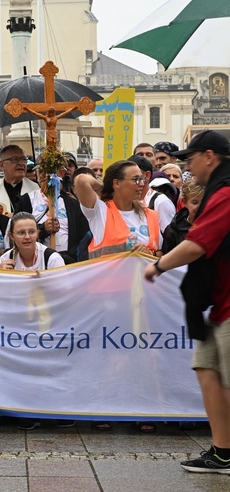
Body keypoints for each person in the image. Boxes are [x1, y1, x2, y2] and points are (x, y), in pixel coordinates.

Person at [143, 130, 230, 473]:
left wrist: (159, 266)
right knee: (207, 368)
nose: (188, 167)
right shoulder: (215, 192)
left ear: (210, 156)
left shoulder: (225, 193)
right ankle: (223, 452)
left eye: (190, 159)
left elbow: (199, 243)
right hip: (219, 304)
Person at [75, 160, 161, 260]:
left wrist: (150, 253)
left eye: (142, 179)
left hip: (143, 275)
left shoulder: (150, 215)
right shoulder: (101, 212)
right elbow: (81, 180)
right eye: (136, 179)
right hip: (109, 275)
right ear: (116, 183)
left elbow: (162, 252)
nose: (141, 184)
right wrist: (104, 189)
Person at [16, 164, 90, 263]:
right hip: (37, 261)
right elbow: (17, 232)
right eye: (41, 172)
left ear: (61, 174)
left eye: (50, 172)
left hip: (67, 262)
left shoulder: (73, 204)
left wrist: (66, 256)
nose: (45, 176)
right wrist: (43, 230)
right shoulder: (26, 201)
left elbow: (83, 237)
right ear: (37, 175)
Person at [0, 212, 66, 271]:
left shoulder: (53, 259)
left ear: (37, 233)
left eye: (31, 232)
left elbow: (62, 285)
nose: (27, 237)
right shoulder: (5, 259)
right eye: (21, 233)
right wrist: (2, 275)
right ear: (11, 236)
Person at [0, 145, 38, 215]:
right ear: (1, 165)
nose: (21, 163)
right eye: (15, 159)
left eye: (24, 159)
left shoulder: (36, 189)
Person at [162, 180, 204, 255]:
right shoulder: (173, 230)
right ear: (185, 202)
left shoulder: (217, 227)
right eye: (195, 202)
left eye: (204, 202)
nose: (200, 207)